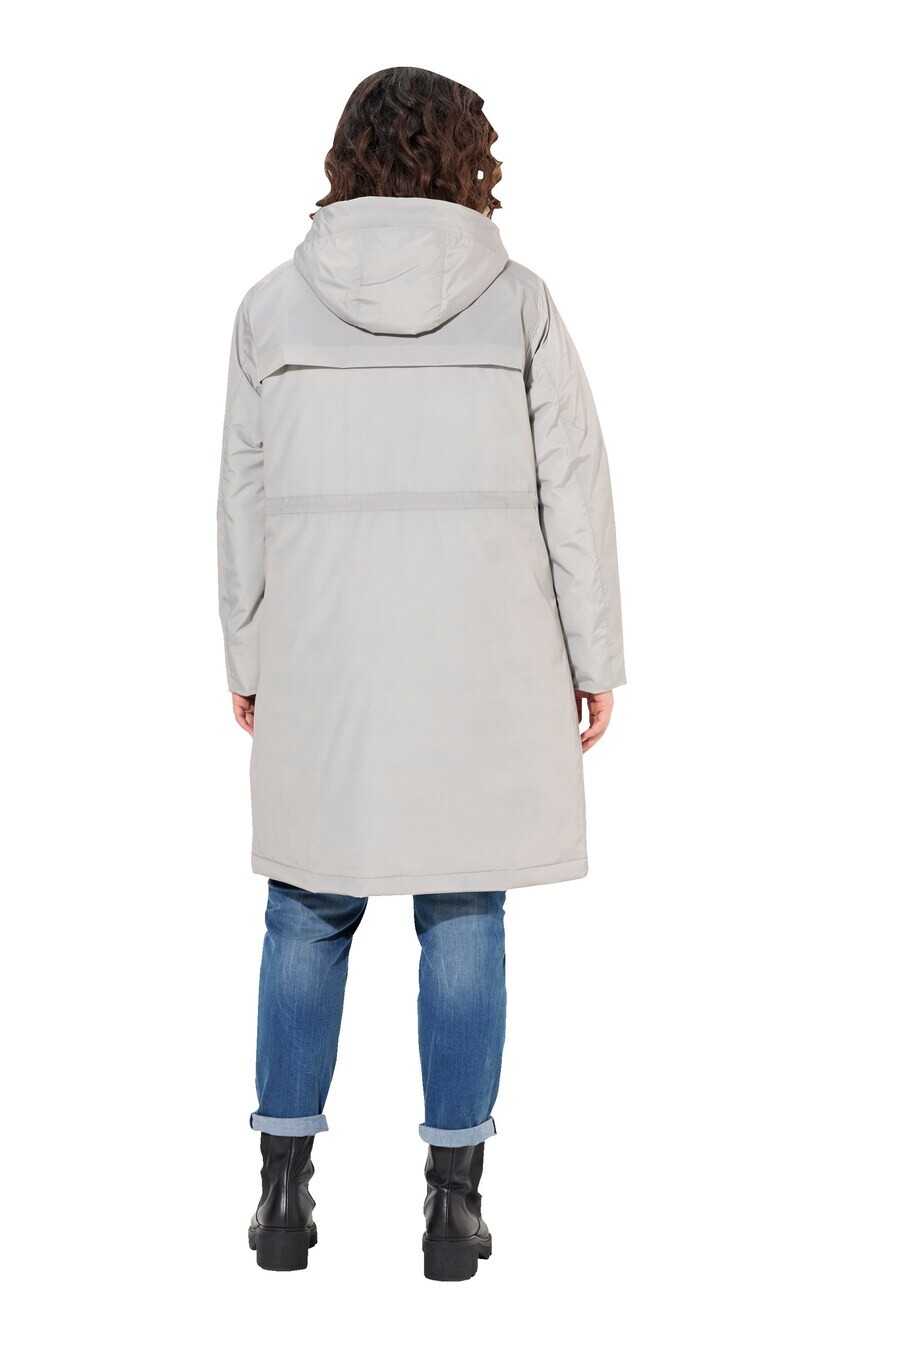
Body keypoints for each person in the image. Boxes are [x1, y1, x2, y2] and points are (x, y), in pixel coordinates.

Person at [216, 66, 626, 1281]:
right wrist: (594, 656)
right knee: (463, 907)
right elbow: (575, 496)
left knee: (307, 904)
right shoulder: (519, 307)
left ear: (346, 159)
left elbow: (241, 503)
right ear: (466, 160)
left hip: (324, 658)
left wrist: (246, 650)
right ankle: (455, 1206)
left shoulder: (271, 310)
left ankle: (281, 1194)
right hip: (480, 665)